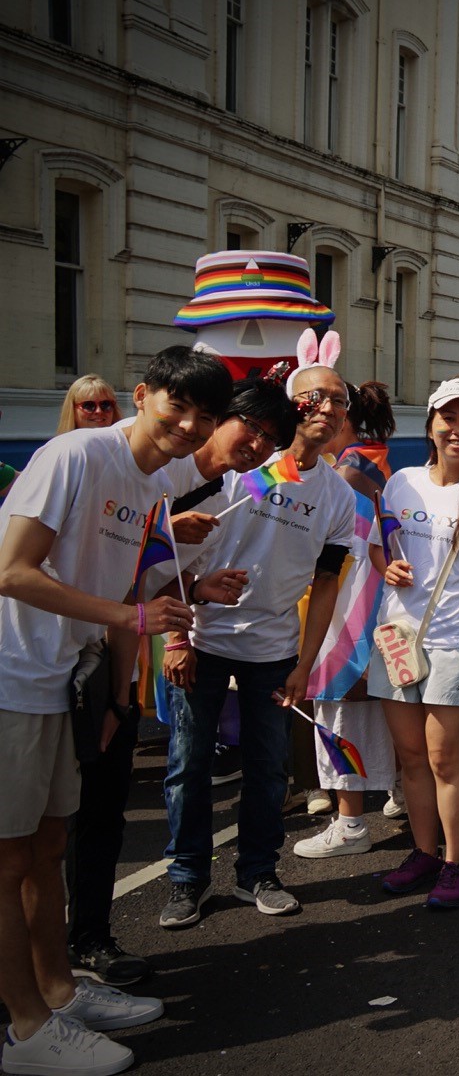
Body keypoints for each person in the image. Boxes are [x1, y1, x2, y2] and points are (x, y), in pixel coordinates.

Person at [0, 346, 230, 1075]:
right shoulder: (76, 454)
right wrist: (128, 618)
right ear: (142, 394)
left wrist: (173, 595)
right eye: (177, 407)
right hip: (11, 679)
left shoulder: (149, 480)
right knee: (7, 862)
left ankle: (60, 993)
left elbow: (122, 578)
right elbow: (11, 570)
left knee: (45, 849)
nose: (189, 426)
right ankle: (26, 1030)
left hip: (64, 682)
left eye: (204, 416)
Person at [69, 375, 293, 987]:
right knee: (173, 772)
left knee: (97, 817)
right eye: (249, 426)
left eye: (272, 439)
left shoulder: (208, 485)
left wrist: (189, 584)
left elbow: (139, 580)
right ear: (144, 399)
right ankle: (177, 887)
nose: (257, 445)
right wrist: (170, 630)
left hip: (111, 664)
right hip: (52, 669)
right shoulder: (100, 461)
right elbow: (35, 569)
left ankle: (86, 945)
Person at [160, 345, 357, 927]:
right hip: (201, 637)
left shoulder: (338, 496)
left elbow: (326, 584)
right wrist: (175, 637)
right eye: (314, 395)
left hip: (273, 652)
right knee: (188, 766)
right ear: (290, 403)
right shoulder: (239, 465)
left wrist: (306, 662)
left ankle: (257, 873)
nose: (327, 407)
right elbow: (165, 548)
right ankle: (187, 878)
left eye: (339, 401)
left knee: (269, 770)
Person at [368, 380, 459, 910]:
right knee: (410, 757)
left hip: (458, 643)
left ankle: (455, 862)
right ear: (430, 424)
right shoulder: (400, 484)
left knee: (445, 759)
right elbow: (375, 551)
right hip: (398, 638)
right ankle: (423, 852)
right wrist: (389, 568)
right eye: (449, 419)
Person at [293, 380, 404, 857]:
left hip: (347, 615)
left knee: (341, 716)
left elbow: (341, 555)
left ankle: (351, 821)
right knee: (383, 711)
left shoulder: (347, 472)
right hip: (375, 611)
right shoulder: (374, 461)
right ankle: (393, 794)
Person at [56, 374, 122, 434]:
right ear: (72, 410)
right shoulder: (62, 446)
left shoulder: (125, 446)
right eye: (89, 406)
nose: (98, 411)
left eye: (106, 405)